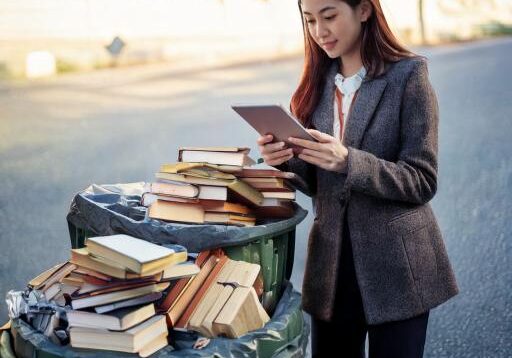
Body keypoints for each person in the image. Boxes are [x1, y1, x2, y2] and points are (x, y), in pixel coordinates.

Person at [256, 0, 459, 357]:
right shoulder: (313, 86)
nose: (320, 31)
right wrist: (286, 162)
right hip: (331, 270)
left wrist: (349, 161)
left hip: (397, 268)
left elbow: (422, 180)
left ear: (364, 10)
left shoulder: (408, 76)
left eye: (330, 16)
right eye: (310, 20)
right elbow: (318, 183)